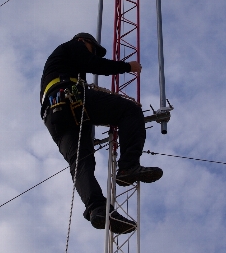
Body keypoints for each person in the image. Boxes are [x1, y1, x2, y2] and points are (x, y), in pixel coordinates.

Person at [40, 32, 163, 234]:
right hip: (71, 97)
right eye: (93, 49)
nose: (94, 53)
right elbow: (93, 63)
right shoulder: (73, 46)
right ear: (83, 41)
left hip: (53, 115)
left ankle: (97, 209)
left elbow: (87, 66)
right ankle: (128, 167)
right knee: (129, 111)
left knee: (80, 161)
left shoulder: (61, 63)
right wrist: (127, 68)